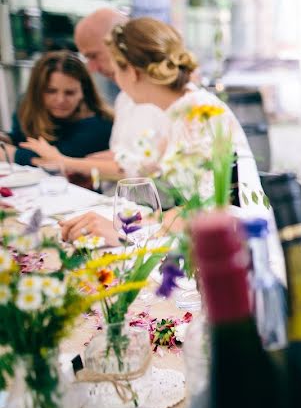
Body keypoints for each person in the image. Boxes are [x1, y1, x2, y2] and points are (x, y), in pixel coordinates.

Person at [58, 17, 262, 243]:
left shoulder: (197, 114)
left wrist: (127, 231)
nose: (115, 77)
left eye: (117, 69)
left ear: (133, 72)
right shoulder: (181, 111)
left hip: (237, 245)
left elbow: (207, 209)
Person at [59, 8, 171, 180]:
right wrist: (92, 167)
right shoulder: (124, 98)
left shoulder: (167, 103)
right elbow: (123, 154)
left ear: (119, 46)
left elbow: (153, 171)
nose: (91, 68)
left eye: (94, 56)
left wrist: (63, 161)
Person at [1, 51, 113, 168]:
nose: (60, 100)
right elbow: (22, 140)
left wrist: (10, 153)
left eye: (70, 93)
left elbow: (56, 162)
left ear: (83, 92)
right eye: (51, 91)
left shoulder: (100, 124)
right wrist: (7, 139)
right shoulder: (27, 107)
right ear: (37, 92)